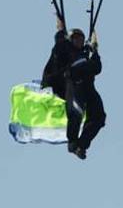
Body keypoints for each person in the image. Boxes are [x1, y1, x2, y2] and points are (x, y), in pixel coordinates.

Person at [41, 17, 105, 160]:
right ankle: (72, 142)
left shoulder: (85, 55)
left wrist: (95, 51)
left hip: (88, 88)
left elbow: (97, 68)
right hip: (73, 84)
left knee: (99, 117)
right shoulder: (65, 50)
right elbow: (58, 47)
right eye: (76, 38)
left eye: (81, 39)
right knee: (76, 111)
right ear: (70, 39)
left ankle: (81, 146)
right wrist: (60, 30)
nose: (79, 41)